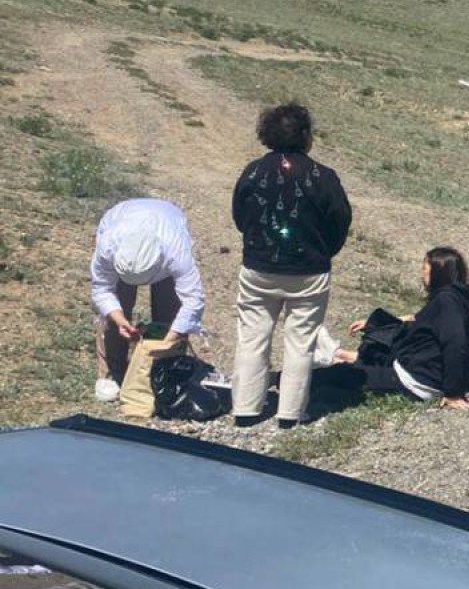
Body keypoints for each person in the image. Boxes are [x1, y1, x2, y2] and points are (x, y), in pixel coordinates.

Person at [231, 102, 352, 430]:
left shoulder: (253, 171)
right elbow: (340, 221)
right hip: (309, 271)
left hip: (259, 267)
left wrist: (258, 243)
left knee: (252, 337)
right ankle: (289, 414)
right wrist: (323, 251)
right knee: (301, 342)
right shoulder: (323, 177)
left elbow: (240, 215)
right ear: (305, 135)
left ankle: (245, 409)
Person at [318, 247, 469, 408]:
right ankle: (337, 355)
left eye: (424, 268)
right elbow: (418, 321)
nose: (421, 274)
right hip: (414, 368)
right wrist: (375, 323)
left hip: (415, 382)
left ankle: (330, 362)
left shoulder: (447, 302)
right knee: (378, 348)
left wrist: (452, 392)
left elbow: (456, 343)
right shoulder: (455, 296)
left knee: (336, 374)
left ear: (437, 273)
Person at [87, 198, 205, 402]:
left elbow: (193, 300)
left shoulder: (176, 251)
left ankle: (166, 367)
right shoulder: (108, 246)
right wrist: (120, 321)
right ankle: (111, 372)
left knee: (170, 309)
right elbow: (102, 289)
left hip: (168, 220)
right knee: (116, 307)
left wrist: (169, 338)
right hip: (120, 216)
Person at [313, 274, 469, 388]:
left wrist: (452, 393)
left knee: (348, 372)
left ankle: (338, 358)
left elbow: (451, 342)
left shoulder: (456, 304)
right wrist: (378, 322)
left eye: (427, 271)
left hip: (432, 373)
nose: (423, 277)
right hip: (432, 364)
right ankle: (341, 355)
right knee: (393, 328)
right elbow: (421, 318)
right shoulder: (460, 293)